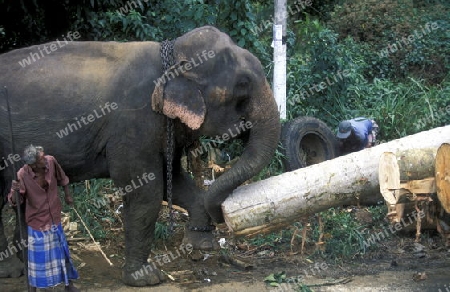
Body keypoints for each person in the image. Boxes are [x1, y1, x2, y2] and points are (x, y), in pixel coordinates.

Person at [8, 145, 79, 292]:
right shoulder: (22, 174)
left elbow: (63, 178)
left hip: (54, 217)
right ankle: (33, 288)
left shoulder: (51, 161)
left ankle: (68, 285)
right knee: (38, 260)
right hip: (37, 222)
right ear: (33, 165)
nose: (44, 159)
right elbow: (16, 201)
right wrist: (15, 190)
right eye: (41, 159)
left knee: (62, 254)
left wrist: (68, 195)